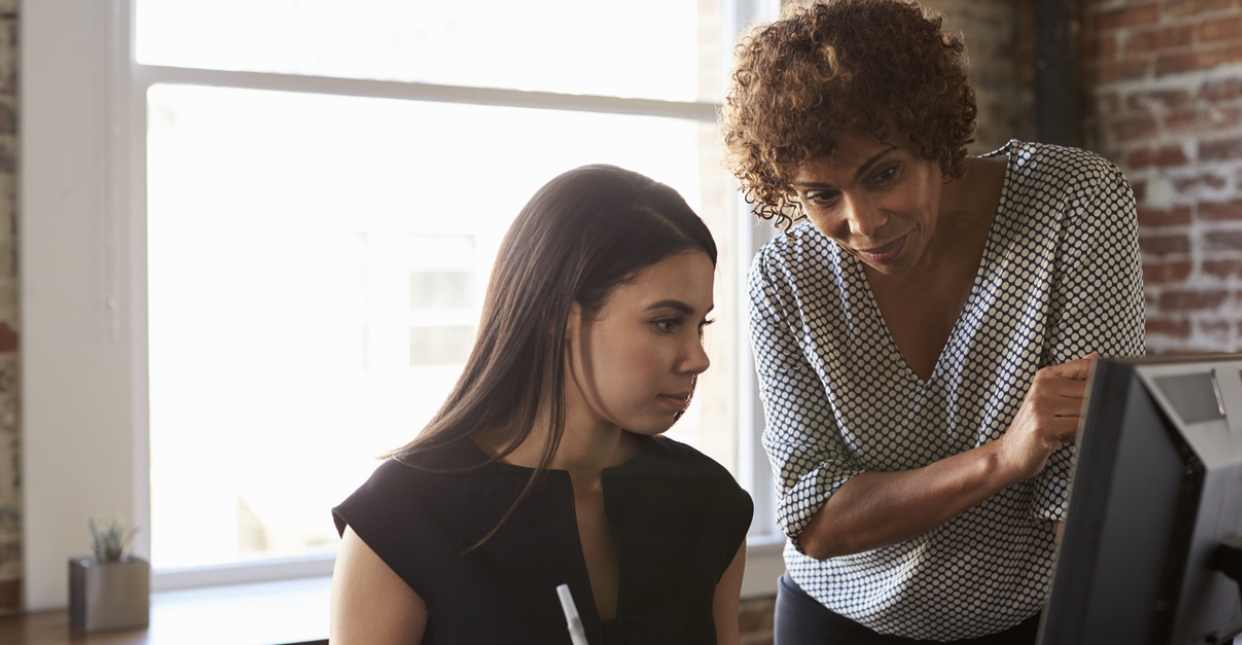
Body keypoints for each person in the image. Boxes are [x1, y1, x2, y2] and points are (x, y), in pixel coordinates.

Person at [719, 1, 1145, 643]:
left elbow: (1080, 484)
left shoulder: (1072, 204)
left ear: (935, 135)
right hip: (837, 619)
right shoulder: (785, 279)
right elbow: (816, 520)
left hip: (1024, 620)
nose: (863, 224)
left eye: (883, 173)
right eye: (821, 195)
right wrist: (1001, 459)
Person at [329, 165, 753, 645]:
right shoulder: (401, 518)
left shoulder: (711, 503)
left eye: (701, 326)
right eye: (665, 323)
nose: (698, 358)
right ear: (557, 316)